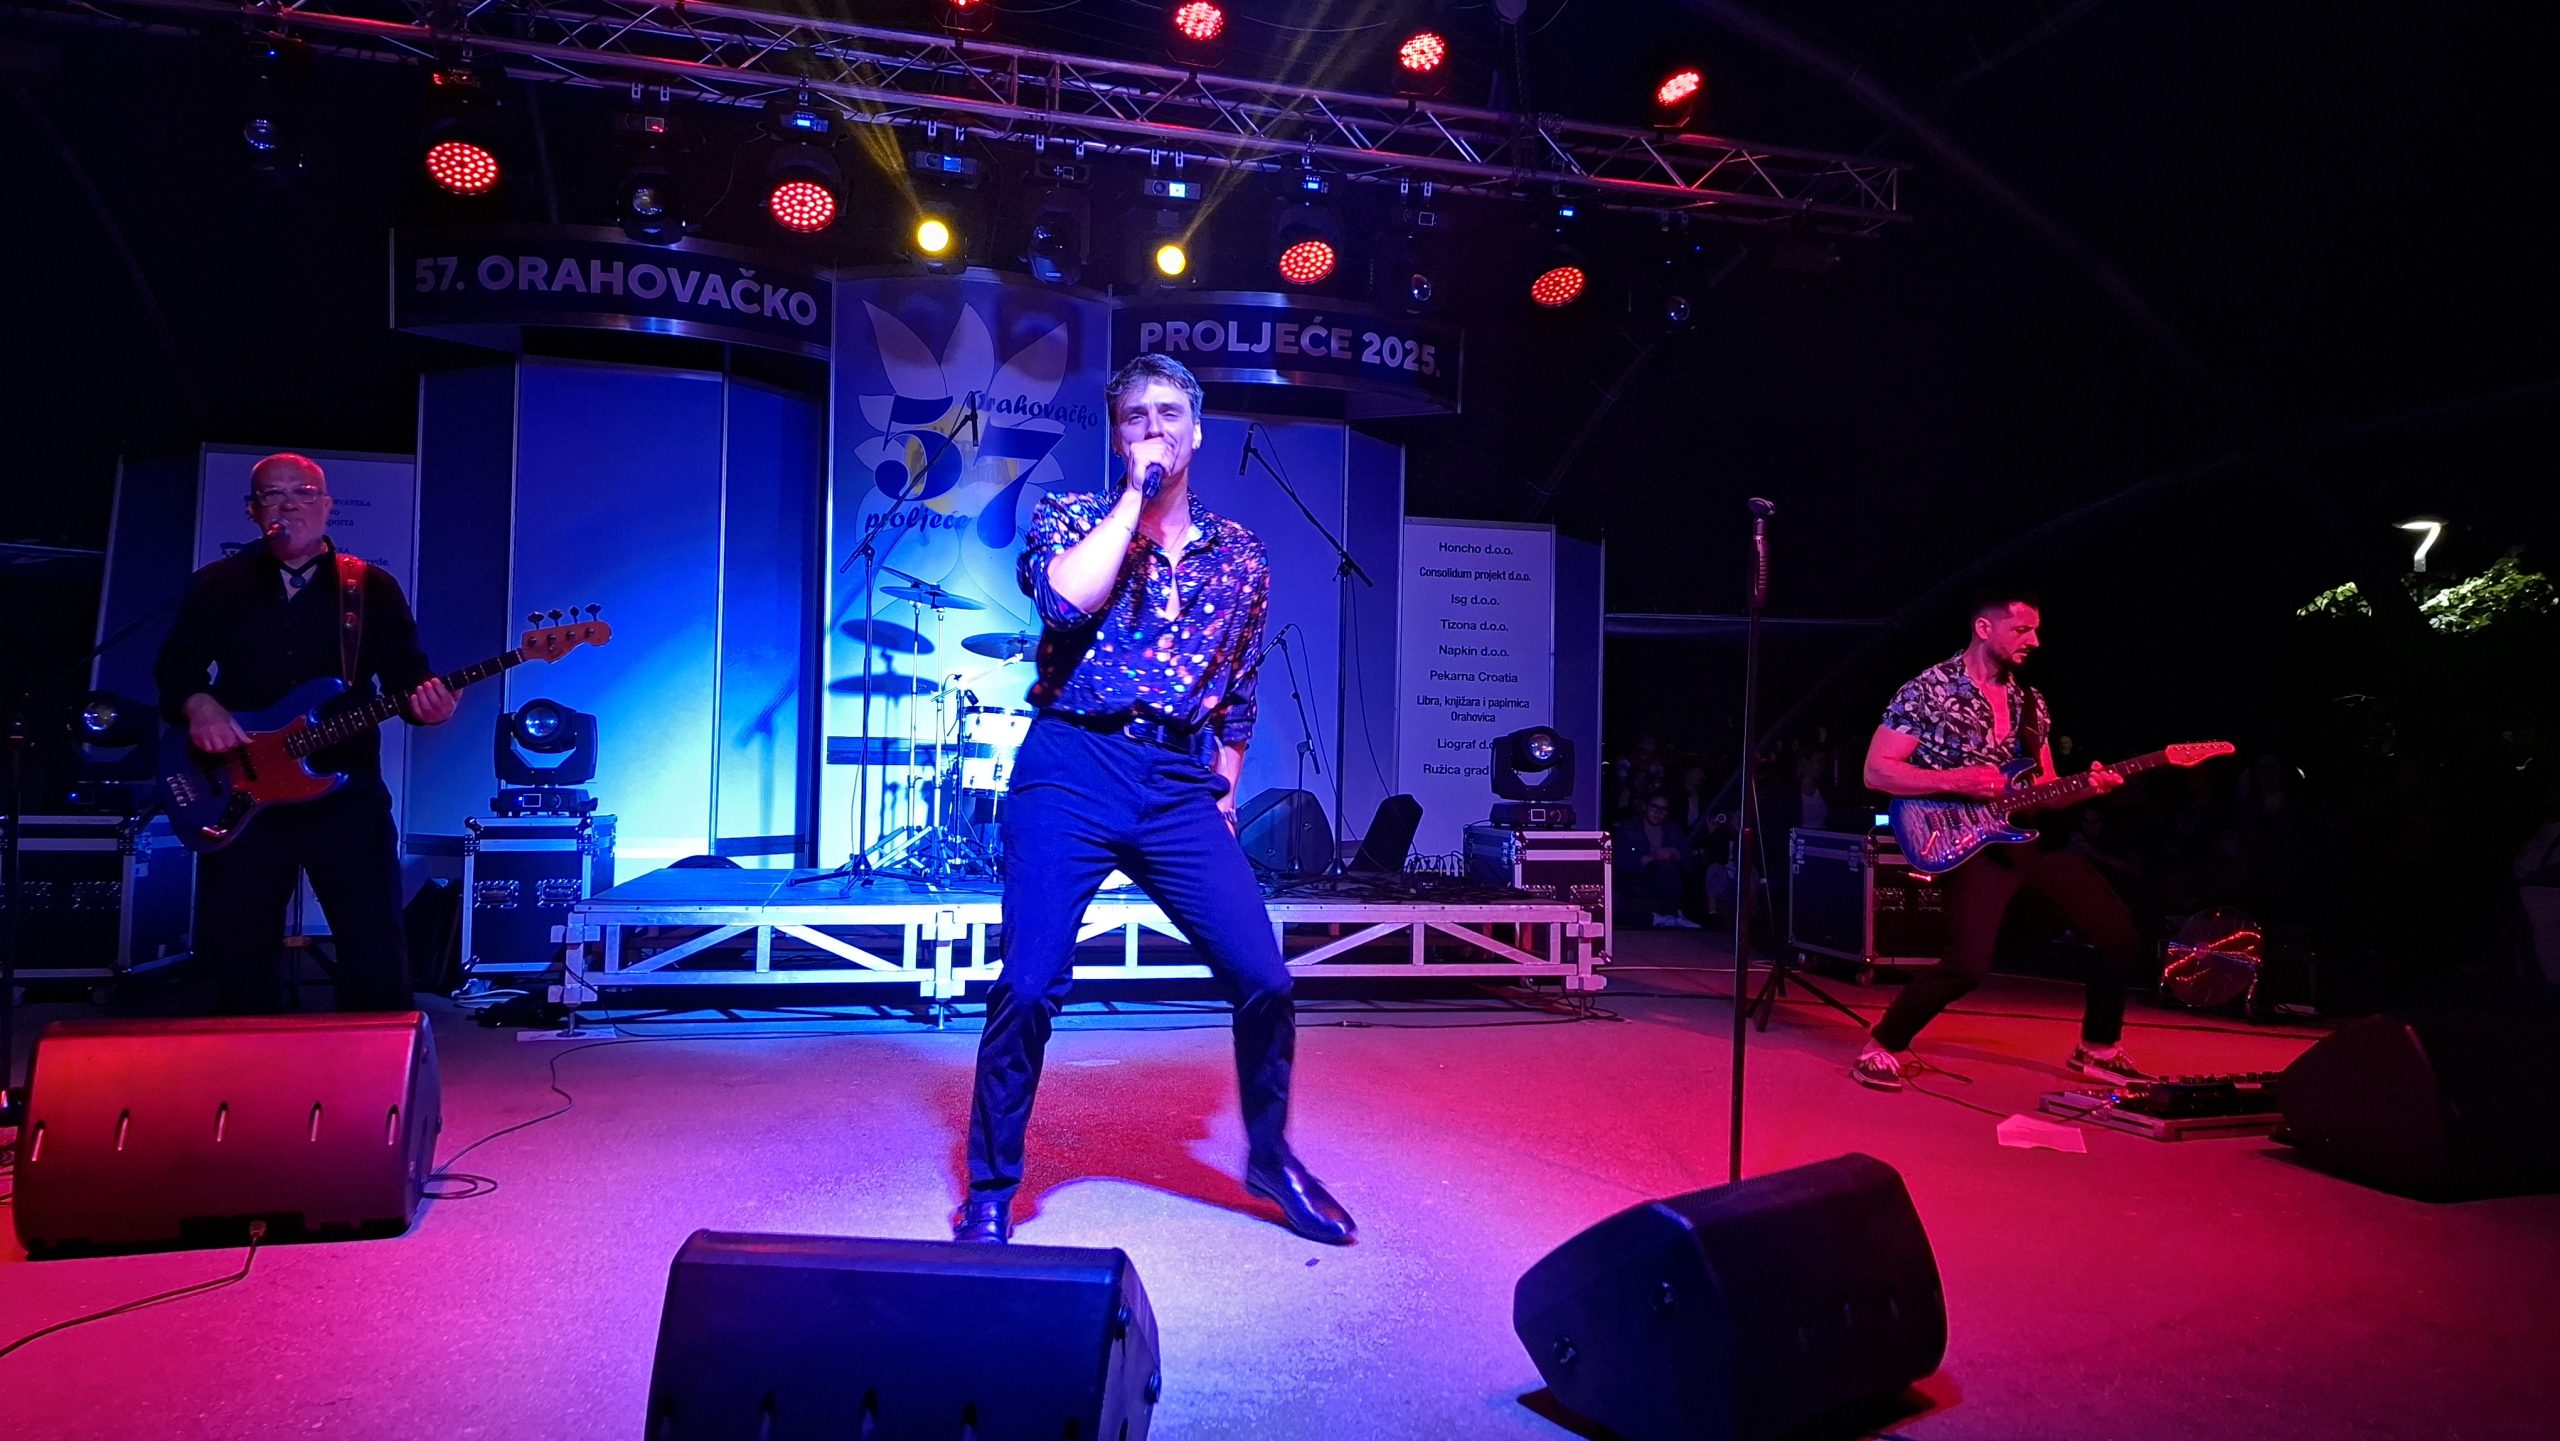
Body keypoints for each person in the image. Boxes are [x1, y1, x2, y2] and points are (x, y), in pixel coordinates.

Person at [954, 354, 1354, 1246]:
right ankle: (991, 1187)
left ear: (1198, 431)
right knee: (1027, 983)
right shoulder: (1072, 517)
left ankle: (1270, 1155)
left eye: (1170, 414)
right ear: (1117, 435)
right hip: (1073, 764)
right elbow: (1065, 606)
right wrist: (1134, 500)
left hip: (1177, 781)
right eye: (1136, 417)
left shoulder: (1240, 555)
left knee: (1265, 977)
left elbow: (1239, 686)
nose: (1154, 429)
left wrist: (1227, 788)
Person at [154, 453, 456, 1014]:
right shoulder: (218, 584)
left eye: (303, 492)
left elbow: (408, 677)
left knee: (373, 944)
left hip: (346, 793)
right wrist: (199, 705)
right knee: (240, 949)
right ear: (253, 511)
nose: (289, 505)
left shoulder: (370, 586)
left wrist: (431, 706)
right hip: (242, 791)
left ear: (327, 506)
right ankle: (247, 1060)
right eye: (273, 495)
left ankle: (376, 1061)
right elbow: (176, 668)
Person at [1851, 592, 2143, 1091]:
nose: (2035, 641)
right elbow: (1876, 772)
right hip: (1965, 838)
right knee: (1966, 966)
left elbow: (2044, 786)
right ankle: (1881, 1045)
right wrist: (1960, 780)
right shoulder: (1929, 689)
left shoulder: (2031, 701)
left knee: (2118, 934)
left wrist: (2087, 787)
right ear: (1984, 629)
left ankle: (2098, 1047)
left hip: (2027, 835)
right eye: (2022, 630)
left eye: (2037, 630)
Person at [1613, 792, 1698, 929]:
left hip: (1668, 875)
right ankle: (1662, 917)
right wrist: (1650, 858)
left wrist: (1674, 853)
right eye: (1654, 807)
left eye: (1663, 809)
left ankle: (1672, 914)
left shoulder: (1673, 829)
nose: (1658, 813)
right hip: (1636, 876)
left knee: (1666, 867)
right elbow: (1621, 861)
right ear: (1645, 807)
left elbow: (1687, 859)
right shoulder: (1628, 828)